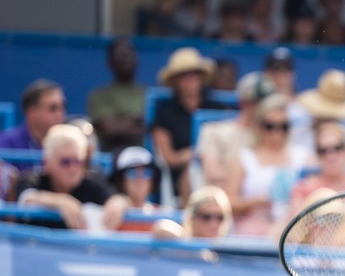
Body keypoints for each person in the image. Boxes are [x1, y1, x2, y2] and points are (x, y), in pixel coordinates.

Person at [14, 124, 128, 230]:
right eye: (65, 162)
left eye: (78, 161)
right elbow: (26, 197)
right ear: (47, 163)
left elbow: (116, 197)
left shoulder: (90, 181)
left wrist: (117, 203)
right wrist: (61, 201)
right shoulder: (31, 178)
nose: (73, 168)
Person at [150, 47, 226, 206]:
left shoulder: (217, 108)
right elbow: (169, 157)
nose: (191, 79)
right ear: (175, 81)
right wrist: (199, 153)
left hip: (219, 172)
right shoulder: (164, 113)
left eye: (195, 73)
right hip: (180, 180)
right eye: (184, 75)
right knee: (192, 172)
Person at [228, 94, 310, 236]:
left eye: (283, 126)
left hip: (295, 232)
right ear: (259, 126)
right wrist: (255, 203)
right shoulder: (245, 158)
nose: (276, 133)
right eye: (270, 126)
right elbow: (227, 201)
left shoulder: (303, 156)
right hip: (252, 231)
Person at [194, 71, 275, 191]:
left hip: (258, 202)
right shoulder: (213, 131)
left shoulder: (273, 135)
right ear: (243, 102)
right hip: (220, 202)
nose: (261, 108)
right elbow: (213, 173)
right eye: (255, 102)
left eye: (265, 104)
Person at [287, 122, 345, 218]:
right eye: (323, 150)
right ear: (317, 155)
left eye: (337, 148)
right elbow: (295, 224)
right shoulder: (303, 189)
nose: (331, 155)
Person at [88, 37, 146, 152]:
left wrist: (122, 121)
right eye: (120, 55)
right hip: (113, 160)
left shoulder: (148, 93)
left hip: (144, 160)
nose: (126, 59)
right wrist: (138, 121)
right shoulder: (99, 96)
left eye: (130, 54)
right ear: (110, 62)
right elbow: (109, 129)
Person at [0, 80, 67, 169]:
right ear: (32, 111)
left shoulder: (68, 146)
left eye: (63, 106)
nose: (60, 114)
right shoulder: (6, 144)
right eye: (53, 108)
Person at [110, 146, 166, 232]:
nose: (140, 179)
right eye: (132, 173)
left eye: (146, 172)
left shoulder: (163, 214)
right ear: (121, 180)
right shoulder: (111, 210)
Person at [153, 185, 233, 240]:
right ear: (192, 218)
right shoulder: (182, 248)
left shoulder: (229, 251)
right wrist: (187, 240)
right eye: (206, 217)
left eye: (220, 217)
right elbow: (160, 228)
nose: (214, 224)